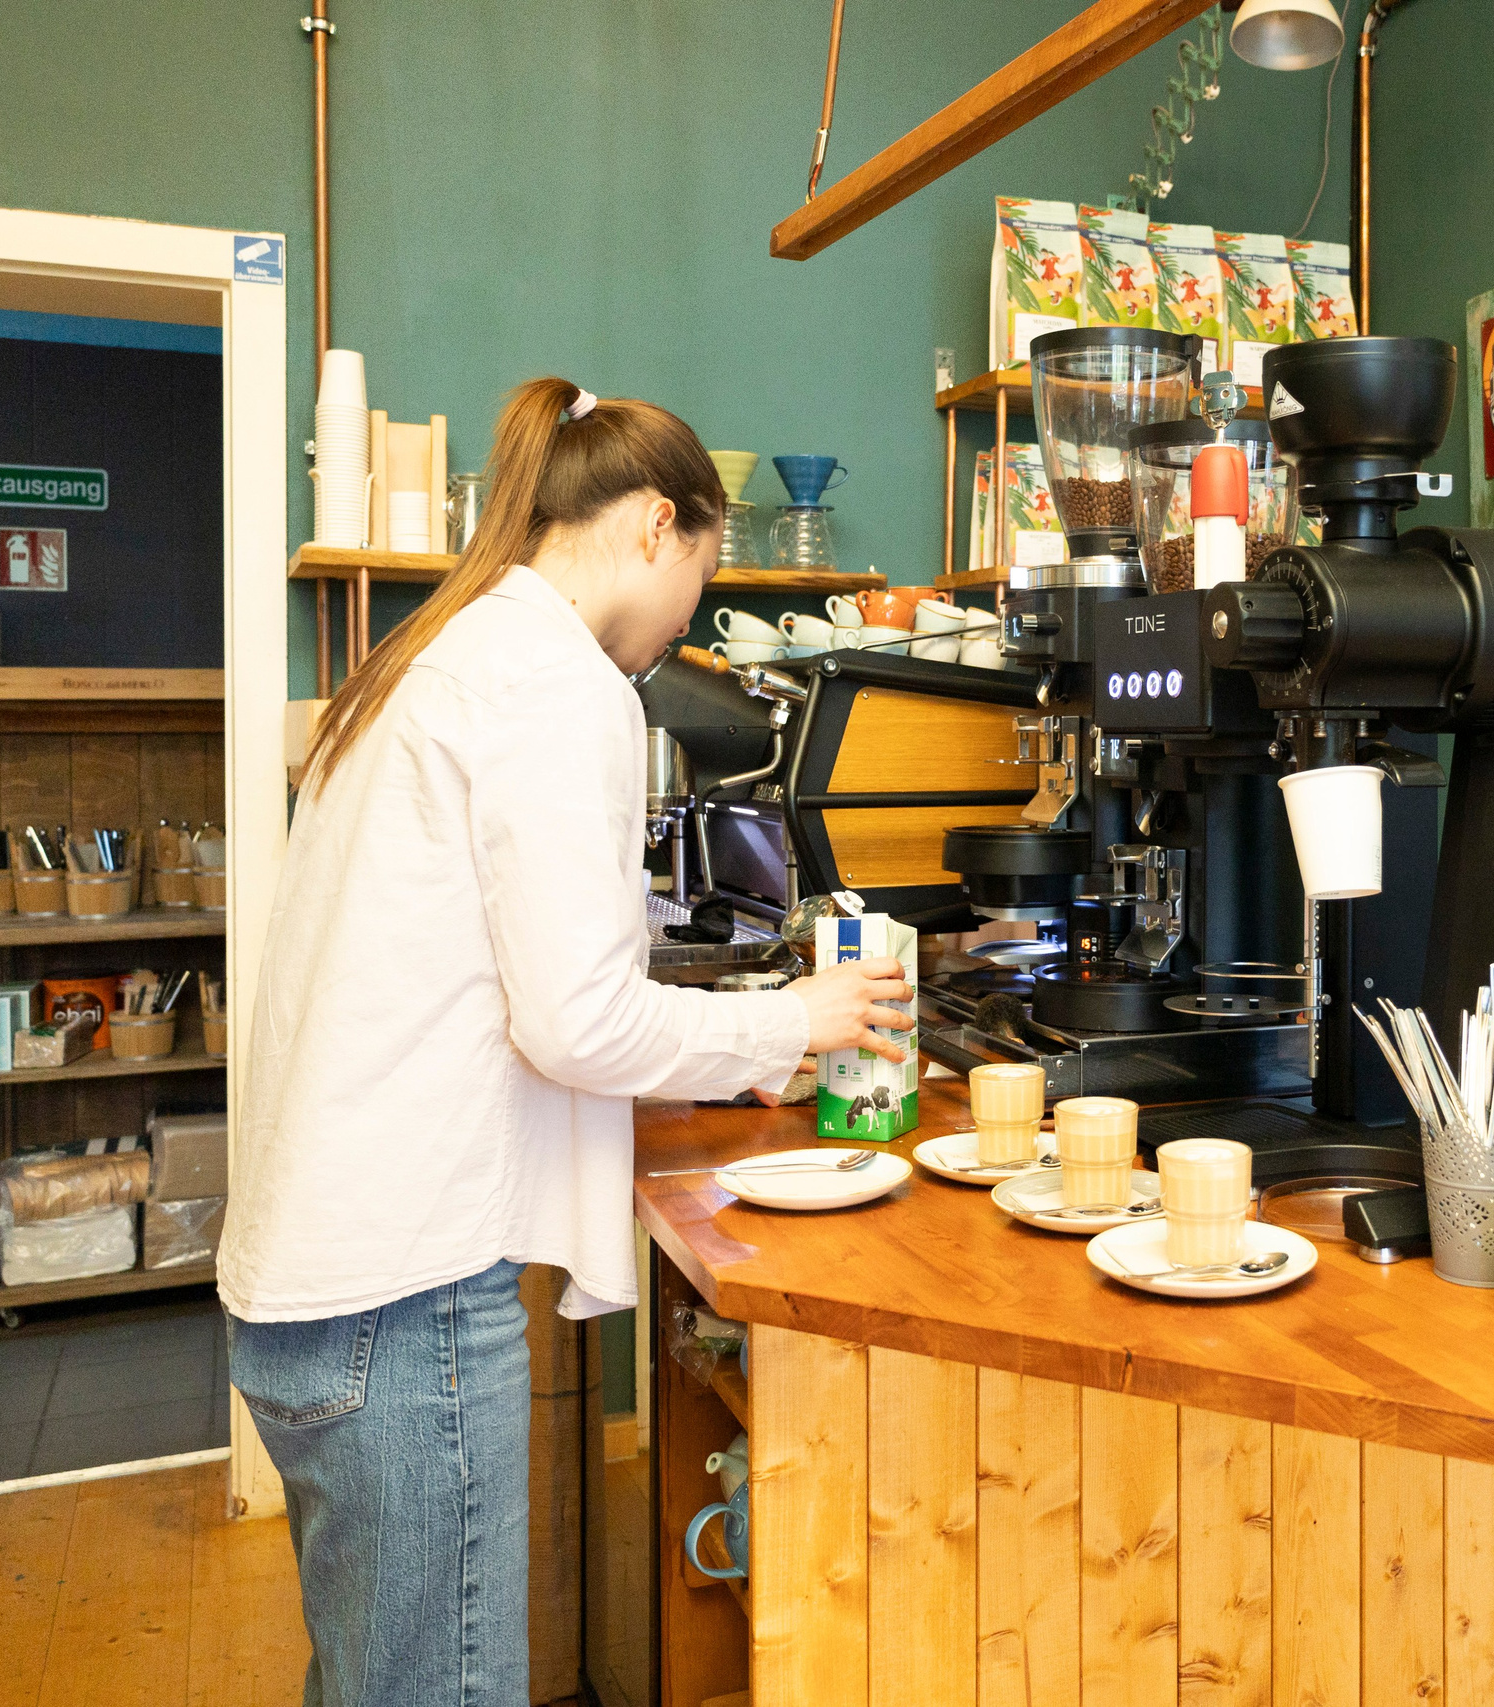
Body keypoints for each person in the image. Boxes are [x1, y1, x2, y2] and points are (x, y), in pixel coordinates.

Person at [218, 377, 910, 1707]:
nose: (682, 629)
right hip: (403, 1307)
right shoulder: (558, 680)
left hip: (308, 1299)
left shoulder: (448, 651)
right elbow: (577, 1016)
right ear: (657, 524)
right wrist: (795, 1022)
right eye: (701, 587)